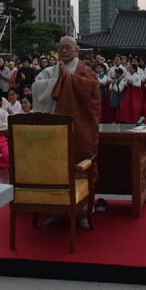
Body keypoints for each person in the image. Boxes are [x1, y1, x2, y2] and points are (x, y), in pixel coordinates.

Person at [31, 36, 101, 223]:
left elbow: (92, 93)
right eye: (61, 47)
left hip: (79, 129)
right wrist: (58, 80)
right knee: (55, 168)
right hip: (54, 130)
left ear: (76, 51)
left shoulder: (86, 72)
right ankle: (58, 210)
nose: (63, 51)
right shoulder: (50, 71)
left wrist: (68, 78)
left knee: (81, 166)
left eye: (68, 47)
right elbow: (36, 87)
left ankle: (83, 211)